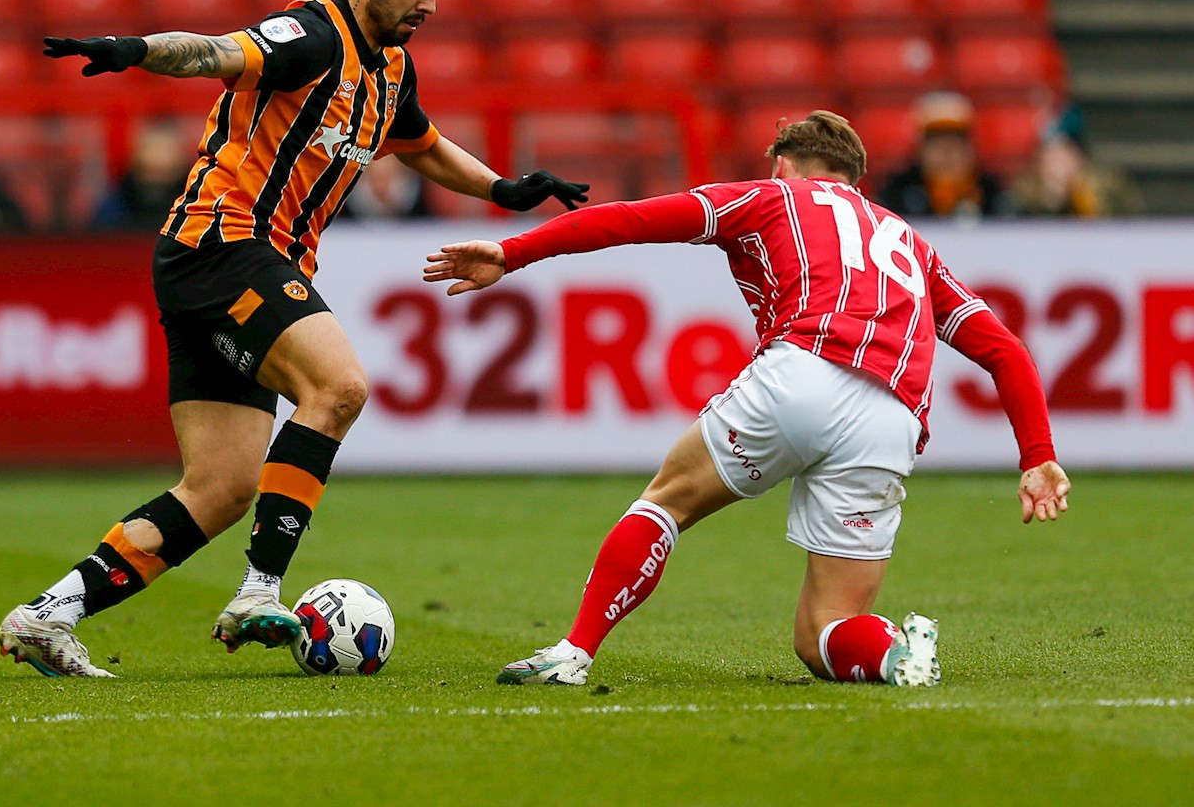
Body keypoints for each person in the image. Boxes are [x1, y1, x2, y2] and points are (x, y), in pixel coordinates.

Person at [0, 0, 589, 678]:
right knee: (338, 386)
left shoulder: (390, 71)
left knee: (219, 489)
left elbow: (422, 145)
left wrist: (504, 189)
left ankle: (47, 615)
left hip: (233, 264)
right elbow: (214, 52)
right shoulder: (310, 34)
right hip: (224, 244)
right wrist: (134, 50)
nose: (430, 4)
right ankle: (258, 591)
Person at [424, 110, 1070, 688]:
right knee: (826, 630)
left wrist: (511, 252)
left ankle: (574, 651)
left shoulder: (771, 198)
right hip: (892, 415)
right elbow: (1004, 351)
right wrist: (1036, 455)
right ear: (855, 177)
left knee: (668, 500)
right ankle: (896, 653)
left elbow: (630, 220)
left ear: (783, 164)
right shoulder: (908, 241)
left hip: (806, 371)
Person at [877, 91, 1012, 219]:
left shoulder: (994, 196)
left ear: (970, 148)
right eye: (937, 144)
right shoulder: (895, 196)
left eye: (954, 143)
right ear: (920, 149)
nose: (946, 153)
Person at [1010, 108, 1141, 218]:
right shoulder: (1023, 191)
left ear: (1079, 156)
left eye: (1063, 154)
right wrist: (1050, 201)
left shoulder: (1109, 186)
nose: (1055, 163)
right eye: (1049, 155)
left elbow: (1125, 225)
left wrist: (1084, 201)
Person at [90, 120, 191, 230]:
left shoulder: (196, 207)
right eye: (152, 148)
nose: (157, 158)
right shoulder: (114, 206)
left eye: (165, 150)